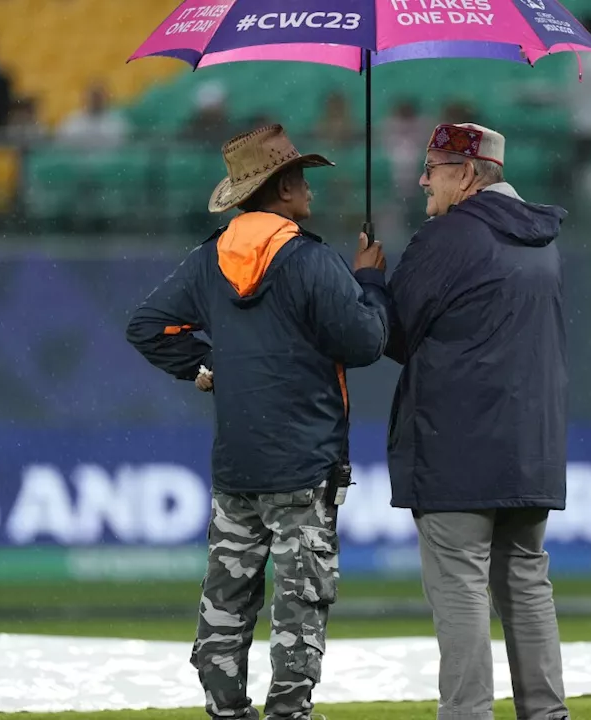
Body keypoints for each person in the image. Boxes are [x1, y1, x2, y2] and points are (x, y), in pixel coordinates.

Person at [126, 124, 389, 720]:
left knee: (227, 597)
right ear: (286, 187)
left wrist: (206, 366)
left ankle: (225, 710)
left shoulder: (208, 260)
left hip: (237, 464)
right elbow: (368, 341)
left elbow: (146, 327)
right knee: (300, 601)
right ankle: (289, 714)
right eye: (303, 181)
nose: (311, 193)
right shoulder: (312, 261)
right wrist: (369, 280)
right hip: (304, 463)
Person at [353, 123, 569, 720]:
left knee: (461, 592)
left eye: (435, 167)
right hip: (532, 445)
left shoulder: (448, 237)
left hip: (456, 449)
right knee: (526, 587)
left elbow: (386, 336)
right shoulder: (544, 239)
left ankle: (468, 715)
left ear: (468, 174)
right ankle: (547, 714)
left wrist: (370, 277)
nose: (423, 179)